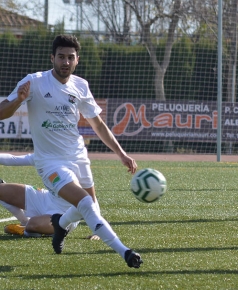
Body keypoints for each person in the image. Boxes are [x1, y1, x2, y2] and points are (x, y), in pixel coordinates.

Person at [0, 34, 142, 268]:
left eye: (70, 57)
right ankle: (124, 251)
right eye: (61, 57)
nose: (65, 62)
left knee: (87, 204)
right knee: (84, 203)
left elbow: (97, 124)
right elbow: (2, 111)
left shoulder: (81, 86)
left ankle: (60, 228)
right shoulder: (34, 82)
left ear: (77, 60)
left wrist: (121, 153)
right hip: (50, 163)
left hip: (78, 158)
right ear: (52, 58)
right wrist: (19, 101)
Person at [0, 178, 93, 238]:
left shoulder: (76, 163)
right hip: (44, 197)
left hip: (64, 215)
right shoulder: (45, 155)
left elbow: (92, 201)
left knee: (32, 225)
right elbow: (15, 159)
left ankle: (27, 229)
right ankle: (24, 222)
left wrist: (97, 230)